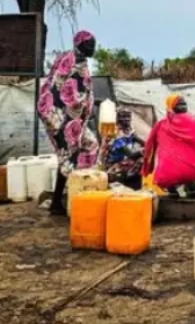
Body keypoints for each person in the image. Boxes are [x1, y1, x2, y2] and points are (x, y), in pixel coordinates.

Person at [39, 30, 99, 215]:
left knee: (90, 144)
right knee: (68, 155)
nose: (92, 49)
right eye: (89, 45)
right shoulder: (70, 62)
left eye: (93, 45)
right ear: (79, 45)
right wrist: (84, 104)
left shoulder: (79, 61)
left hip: (73, 118)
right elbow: (64, 91)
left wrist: (88, 105)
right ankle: (58, 202)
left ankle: (79, 190)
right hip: (59, 116)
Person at [143, 94, 195, 196]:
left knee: (171, 184)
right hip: (191, 170)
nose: (183, 106)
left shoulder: (162, 124)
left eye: (184, 104)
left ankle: (174, 193)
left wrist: (147, 165)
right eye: (180, 104)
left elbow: (150, 144)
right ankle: (190, 193)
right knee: (191, 184)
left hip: (170, 172)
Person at [105, 108, 143, 191]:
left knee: (143, 161)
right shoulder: (114, 133)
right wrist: (143, 151)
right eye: (123, 117)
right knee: (141, 161)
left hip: (125, 161)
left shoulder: (128, 130)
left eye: (128, 117)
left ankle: (133, 185)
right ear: (117, 118)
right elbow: (130, 154)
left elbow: (139, 140)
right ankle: (127, 184)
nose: (127, 119)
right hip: (114, 165)